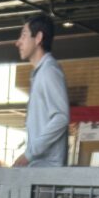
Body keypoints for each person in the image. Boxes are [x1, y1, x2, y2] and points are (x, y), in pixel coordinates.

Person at [13, 14, 69, 168]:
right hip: (39, 167)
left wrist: (29, 154)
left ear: (38, 38)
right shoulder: (41, 73)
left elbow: (61, 118)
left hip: (46, 170)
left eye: (23, 35)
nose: (18, 42)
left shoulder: (49, 71)